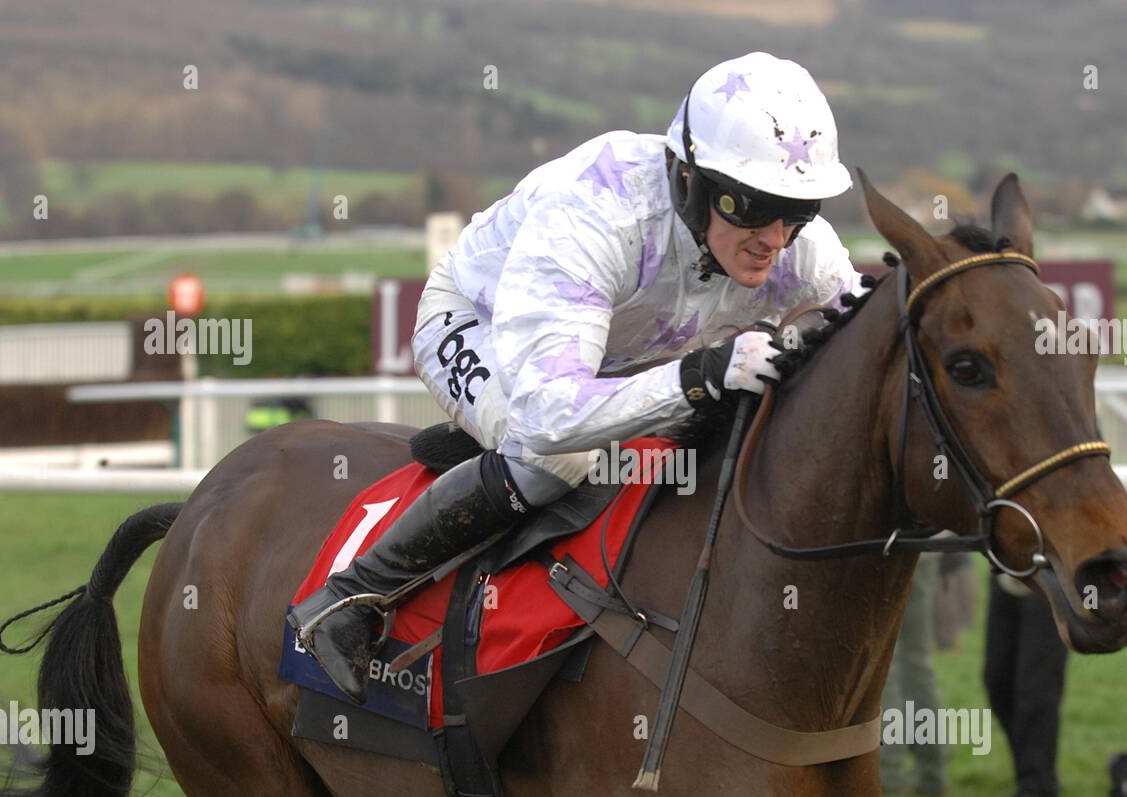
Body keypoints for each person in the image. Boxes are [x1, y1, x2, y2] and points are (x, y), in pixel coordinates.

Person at [289, 53, 868, 703]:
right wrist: (700, 377)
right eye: (752, 206)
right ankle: (348, 599)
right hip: (481, 323)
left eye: (797, 210)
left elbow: (864, 332)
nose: (774, 238)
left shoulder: (792, 246)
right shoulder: (599, 211)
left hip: (621, 355)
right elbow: (548, 414)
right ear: (688, 179)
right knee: (555, 460)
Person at [983, 572, 1070, 797]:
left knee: (1036, 688)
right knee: (997, 681)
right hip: (1007, 574)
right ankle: (1032, 769)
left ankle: (1038, 788)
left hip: (1053, 579)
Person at [880, 554, 949, 797]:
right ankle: (932, 774)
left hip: (881, 548)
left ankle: (888, 773)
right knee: (916, 660)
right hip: (923, 546)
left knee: (883, 660)